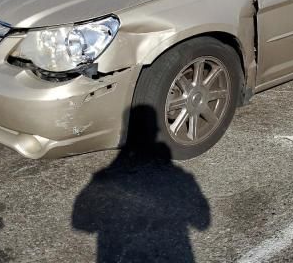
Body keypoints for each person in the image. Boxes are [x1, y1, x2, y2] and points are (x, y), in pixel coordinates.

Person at [72, 105, 211, 262]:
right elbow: (203, 221)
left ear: (125, 133)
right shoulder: (181, 179)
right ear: (157, 133)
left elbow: (80, 222)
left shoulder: (103, 180)